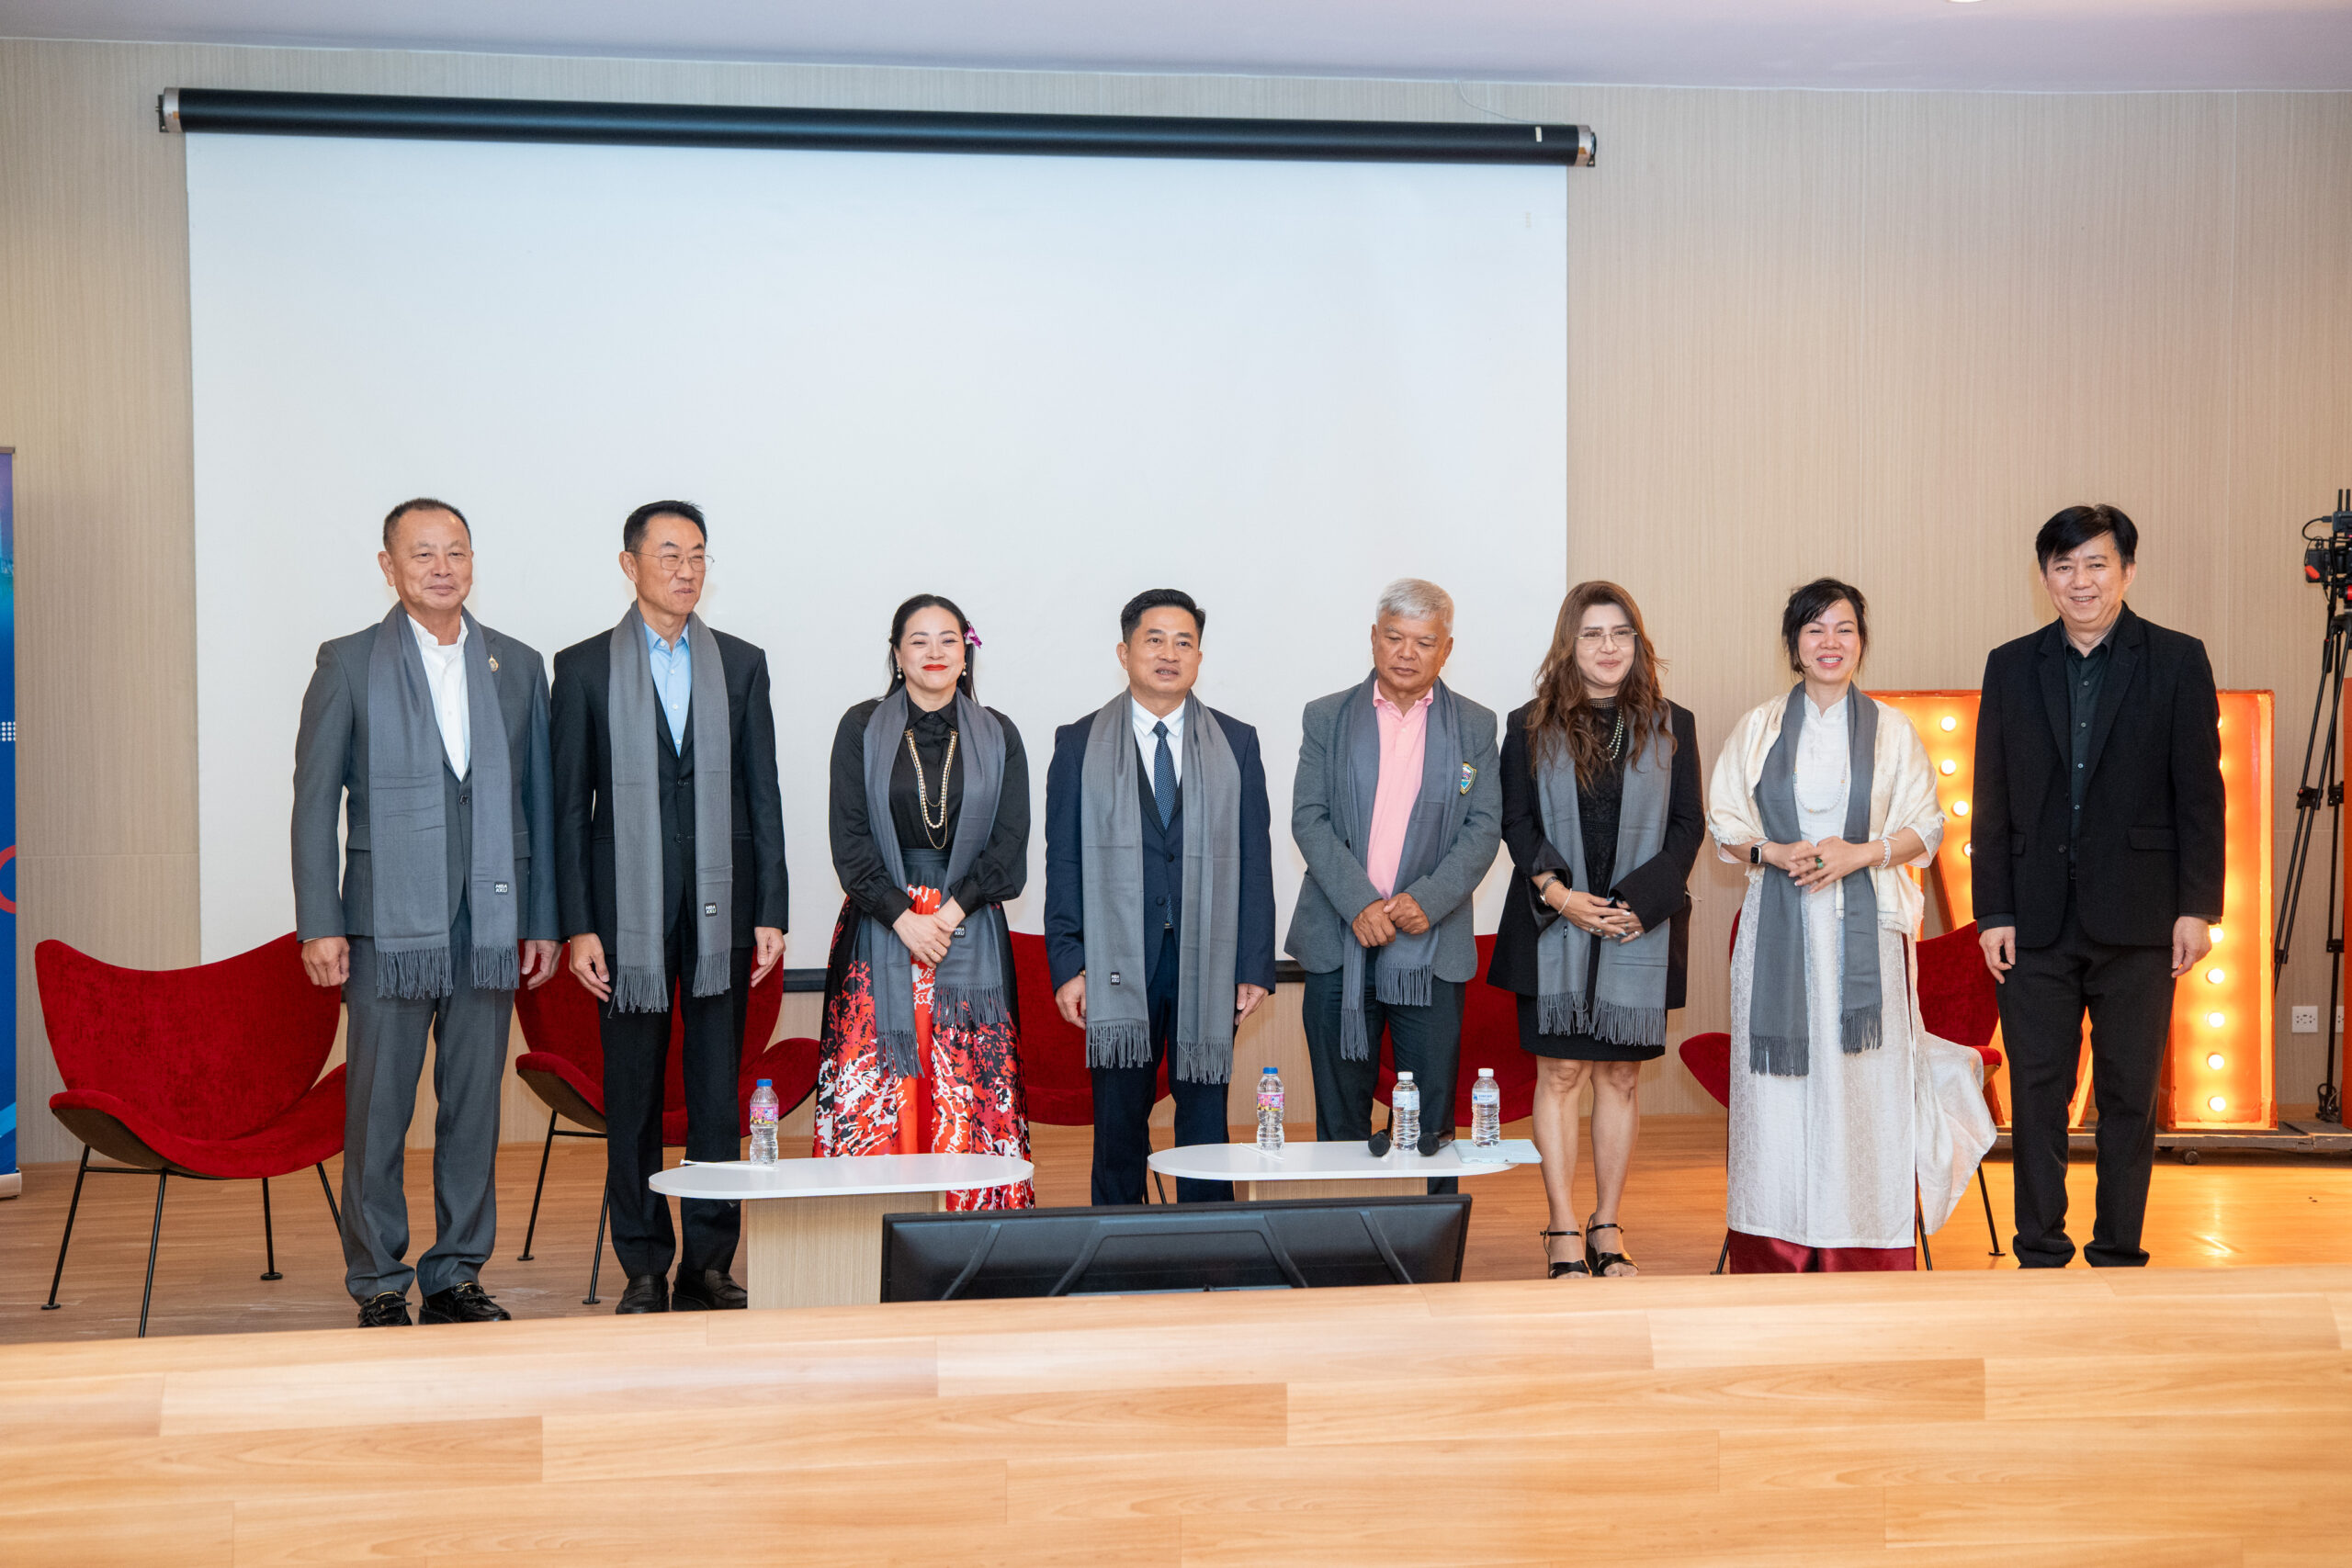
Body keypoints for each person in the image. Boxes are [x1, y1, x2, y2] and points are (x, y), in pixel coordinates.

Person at [292, 498, 560, 1327]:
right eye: (423, 553)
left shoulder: (517, 665)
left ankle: (455, 1273)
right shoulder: (347, 663)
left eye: (456, 552)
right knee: (379, 1107)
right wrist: (320, 920)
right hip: (386, 924)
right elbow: (314, 803)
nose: (442, 568)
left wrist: (543, 918)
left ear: (473, 562)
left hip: (490, 921)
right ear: (389, 565)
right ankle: (378, 1277)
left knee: (473, 1106)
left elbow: (538, 803)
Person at [550, 501, 788, 1314]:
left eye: (698, 556)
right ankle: (645, 1265)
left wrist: (771, 907)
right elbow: (568, 810)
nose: (686, 570)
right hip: (626, 921)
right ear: (630, 565)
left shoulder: (742, 664)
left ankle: (709, 1264)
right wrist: (578, 922)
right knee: (635, 1098)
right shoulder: (582, 668)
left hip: (724, 912)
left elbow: (763, 793)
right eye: (668, 554)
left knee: (717, 1095)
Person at [1973, 505, 2223, 1268]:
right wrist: (1993, 909)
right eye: (2063, 566)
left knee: (2128, 1095)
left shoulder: (2177, 660)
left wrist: (2197, 907)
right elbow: (1992, 797)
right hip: (2034, 918)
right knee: (2038, 1092)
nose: (2079, 581)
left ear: (2127, 571)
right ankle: (2040, 1246)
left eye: (2096, 564)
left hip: (2142, 918)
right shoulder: (2011, 665)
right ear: (2044, 577)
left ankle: (2118, 1247)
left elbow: (2200, 796)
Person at [1706, 579, 1951, 1271]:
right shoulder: (1758, 728)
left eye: (1844, 628)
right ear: (1794, 644)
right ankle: (1774, 1242)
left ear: (1862, 642)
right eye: (1814, 629)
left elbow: (1926, 827)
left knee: (1863, 1091)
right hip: (1778, 935)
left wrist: (1860, 853)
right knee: (1776, 1096)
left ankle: (1862, 1243)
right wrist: (1775, 851)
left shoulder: (1894, 731)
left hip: (1865, 935)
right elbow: (1725, 824)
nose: (1830, 642)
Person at [1488, 581, 1702, 1278]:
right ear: (1569, 644)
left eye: (1620, 633)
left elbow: (1687, 826)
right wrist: (1561, 895)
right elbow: (1516, 822)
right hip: (1553, 921)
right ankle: (1560, 1225)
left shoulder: (1674, 724)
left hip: (1639, 925)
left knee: (1620, 1076)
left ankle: (1606, 1223)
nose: (1608, 647)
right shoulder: (1528, 724)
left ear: (1637, 643)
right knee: (1560, 1072)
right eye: (1592, 634)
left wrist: (1640, 903)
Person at [1045, 590, 1278, 1205]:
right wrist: (1068, 962)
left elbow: (1255, 859)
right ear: (1125, 653)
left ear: (1199, 656)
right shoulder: (1079, 743)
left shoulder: (1237, 742)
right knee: (1118, 1122)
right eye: (1154, 640)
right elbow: (1062, 861)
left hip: (1208, 959)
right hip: (1115, 959)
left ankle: (1208, 1240)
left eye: (1184, 642)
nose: (1169, 654)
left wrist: (1254, 964)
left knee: (1205, 1120)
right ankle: (1118, 1240)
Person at [818, 594, 1034, 1209]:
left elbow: (1009, 847)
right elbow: (850, 843)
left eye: (948, 639)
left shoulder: (999, 733)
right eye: (919, 640)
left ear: (966, 653)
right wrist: (904, 919)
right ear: (897, 653)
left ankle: (974, 1235)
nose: (934, 652)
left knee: (967, 1084)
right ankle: (867, 1232)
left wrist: (947, 913)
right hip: (879, 927)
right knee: (882, 1085)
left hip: (969, 925)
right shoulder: (860, 728)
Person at [1289, 579, 1502, 1188]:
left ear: (1446, 649)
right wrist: (1359, 902)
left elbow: (1484, 827)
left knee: (1431, 1121)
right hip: (1340, 941)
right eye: (1394, 637)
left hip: (1431, 947)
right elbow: (1309, 818)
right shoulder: (1327, 716)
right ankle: (1345, 1236)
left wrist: (1427, 901)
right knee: (1340, 1118)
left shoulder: (1476, 725)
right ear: (1373, 638)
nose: (1407, 653)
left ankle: (1430, 1232)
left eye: (1424, 641)